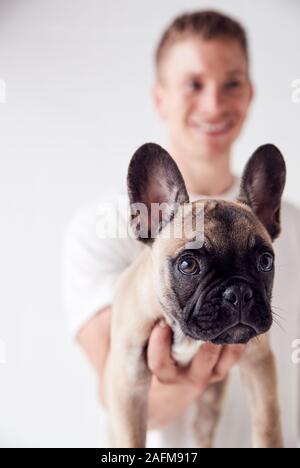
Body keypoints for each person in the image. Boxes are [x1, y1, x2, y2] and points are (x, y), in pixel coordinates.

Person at [62, 10, 300, 448]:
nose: (213, 103)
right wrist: (191, 377)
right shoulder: (97, 231)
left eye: (231, 83)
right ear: (159, 98)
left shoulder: (294, 224)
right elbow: (119, 390)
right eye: (193, 84)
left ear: (250, 94)